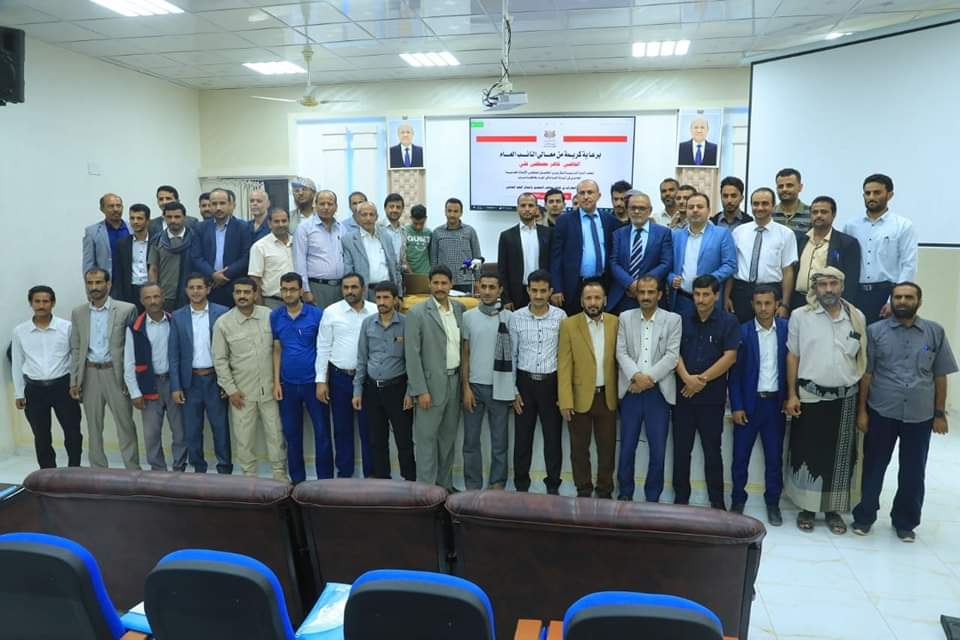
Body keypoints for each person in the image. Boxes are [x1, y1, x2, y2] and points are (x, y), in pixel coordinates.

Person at [852, 282, 958, 542]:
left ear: (918, 302)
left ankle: (905, 522)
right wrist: (862, 412)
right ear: (891, 300)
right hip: (882, 411)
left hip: (920, 415)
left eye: (908, 297)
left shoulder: (934, 332)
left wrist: (939, 413)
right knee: (873, 466)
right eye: (898, 297)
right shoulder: (875, 331)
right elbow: (867, 375)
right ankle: (864, 516)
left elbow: (940, 375)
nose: (902, 301)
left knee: (913, 471)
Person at [784, 266, 866, 534]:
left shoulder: (856, 317)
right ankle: (807, 509)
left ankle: (833, 511)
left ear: (842, 286)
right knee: (807, 453)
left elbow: (862, 361)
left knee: (840, 457)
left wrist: (862, 408)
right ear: (815, 288)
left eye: (833, 283)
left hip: (845, 397)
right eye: (823, 284)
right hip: (810, 395)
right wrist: (792, 394)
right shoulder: (801, 316)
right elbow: (793, 356)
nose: (828, 289)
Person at [673, 274, 740, 510]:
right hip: (683, 395)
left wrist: (700, 380)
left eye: (706, 295)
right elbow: (673, 352)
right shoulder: (681, 319)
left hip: (712, 399)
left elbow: (730, 357)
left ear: (716, 295)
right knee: (681, 450)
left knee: (712, 451)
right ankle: (681, 500)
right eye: (697, 294)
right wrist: (687, 379)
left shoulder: (728, 321)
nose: (700, 300)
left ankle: (717, 502)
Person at [212, 277, 287, 480]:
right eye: (238, 292)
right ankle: (249, 480)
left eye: (246, 292)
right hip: (241, 393)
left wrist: (278, 382)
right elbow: (220, 360)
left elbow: (279, 349)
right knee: (244, 440)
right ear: (233, 295)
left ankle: (280, 475)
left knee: (276, 435)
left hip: (271, 390)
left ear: (255, 294)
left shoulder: (269, 315)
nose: (242, 296)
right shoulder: (223, 323)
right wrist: (231, 390)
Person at [615, 275, 681, 502]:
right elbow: (621, 352)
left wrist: (647, 379)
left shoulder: (673, 320)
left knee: (658, 450)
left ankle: (653, 498)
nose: (645, 296)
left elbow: (672, 356)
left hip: (658, 394)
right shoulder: (625, 317)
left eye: (650, 292)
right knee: (627, 448)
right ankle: (625, 493)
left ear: (659, 295)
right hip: (631, 391)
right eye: (641, 292)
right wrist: (636, 376)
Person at [728, 285, 788, 525]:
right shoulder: (742, 332)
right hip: (748, 405)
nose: (763, 308)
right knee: (740, 458)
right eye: (759, 303)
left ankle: (773, 503)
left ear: (777, 305)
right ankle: (737, 500)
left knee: (774, 458)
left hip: (774, 405)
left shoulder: (786, 330)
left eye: (768, 303)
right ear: (752, 305)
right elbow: (734, 375)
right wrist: (737, 406)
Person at [69, 268, 140, 469]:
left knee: (125, 424)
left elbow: (134, 347)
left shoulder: (127, 309)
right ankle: (98, 470)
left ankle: (132, 469)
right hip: (90, 374)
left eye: (99, 282)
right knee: (93, 426)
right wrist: (74, 380)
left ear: (108, 284)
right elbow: (76, 348)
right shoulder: (78, 313)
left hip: (116, 374)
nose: (94, 287)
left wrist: (131, 380)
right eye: (90, 283)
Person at [405, 265, 466, 489]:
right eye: (436, 283)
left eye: (444, 283)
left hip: (454, 382)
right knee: (426, 441)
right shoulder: (417, 313)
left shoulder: (459, 309)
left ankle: (444, 486)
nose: (440, 287)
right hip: (429, 386)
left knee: (448, 439)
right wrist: (420, 390)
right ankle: (426, 490)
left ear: (451, 285)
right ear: (429, 284)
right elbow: (412, 355)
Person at [557, 280, 618, 498]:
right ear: (582, 301)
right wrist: (565, 400)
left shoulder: (615, 323)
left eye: (597, 298)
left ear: (605, 300)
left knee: (607, 449)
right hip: (578, 398)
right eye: (588, 298)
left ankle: (605, 491)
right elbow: (564, 365)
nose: (593, 302)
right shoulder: (569, 325)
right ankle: (583, 491)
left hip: (607, 397)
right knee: (579, 449)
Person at [509, 269, 567, 494]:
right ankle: (521, 487)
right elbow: (512, 356)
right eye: (534, 290)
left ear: (551, 291)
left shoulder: (561, 317)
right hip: (524, 384)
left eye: (543, 291)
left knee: (553, 439)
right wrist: (513, 390)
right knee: (522, 439)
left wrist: (563, 391)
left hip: (551, 384)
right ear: (528, 291)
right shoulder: (516, 317)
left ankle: (553, 487)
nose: (539, 295)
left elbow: (564, 356)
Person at [12, 285, 82, 468]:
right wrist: (19, 393)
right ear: (31, 303)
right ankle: (47, 473)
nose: (41, 305)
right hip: (34, 390)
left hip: (63, 387)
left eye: (45, 301)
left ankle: (74, 470)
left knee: (73, 432)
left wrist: (75, 384)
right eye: (37, 301)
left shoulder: (66, 327)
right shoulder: (20, 331)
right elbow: (17, 364)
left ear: (53, 303)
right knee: (41, 436)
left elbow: (75, 358)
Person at [271, 272, 331, 484]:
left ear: (300, 291)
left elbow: (324, 349)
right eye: (284, 289)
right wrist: (276, 382)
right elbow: (277, 349)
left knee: (322, 434)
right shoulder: (275, 316)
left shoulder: (316, 314)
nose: (288, 293)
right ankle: (297, 481)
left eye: (292, 289)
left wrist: (323, 381)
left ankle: (325, 482)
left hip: (313, 385)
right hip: (287, 385)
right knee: (292, 435)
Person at [315, 273, 377, 478]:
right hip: (339, 378)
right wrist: (321, 381)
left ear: (363, 289)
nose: (349, 291)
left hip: (367, 380)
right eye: (346, 287)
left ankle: (371, 476)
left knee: (369, 430)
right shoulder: (331, 312)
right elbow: (323, 347)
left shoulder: (375, 311)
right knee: (342, 430)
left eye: (354, 287)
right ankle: (344, 476)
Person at [169, 273, 231, 474]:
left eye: (200, 287)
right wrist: (176, 386)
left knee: (220, 428)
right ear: (186, 291)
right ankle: (198, 470)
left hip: (215, 380)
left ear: (208, 289)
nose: (196, 291)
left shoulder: (222, 313)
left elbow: (230, 351)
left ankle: (225, 470)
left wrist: (227, 383)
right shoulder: (178, 316)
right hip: (190, 382)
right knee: (192, 431)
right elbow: (173, 355)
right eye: (192, 288)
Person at [354, 281, 415, 481]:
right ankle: (383, 482)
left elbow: (413, 361)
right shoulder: (367, 323)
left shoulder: (407, 324)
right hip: (372, 390)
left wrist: (410, 392)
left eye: (386, 297)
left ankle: (409, 481)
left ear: (396, 300)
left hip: (398, 389)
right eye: (378, 298)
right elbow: (362, 359)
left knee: (404, 439)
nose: (381, 302)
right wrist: (357, 391)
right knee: (377, 440)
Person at [461, 273, 516, 490]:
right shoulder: (468, 317)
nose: (486, 291)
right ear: (477, 287)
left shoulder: (509, 318)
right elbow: (465, 354)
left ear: (500, 290)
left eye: (492, 287)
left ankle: (497, 485)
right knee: (470, 441)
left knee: (500, 441)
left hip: (500, 386)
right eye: (483, 286)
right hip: (474, 387)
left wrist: (514, 388)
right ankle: (473, 486)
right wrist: (465, 387)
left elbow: (515, 355)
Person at [123, 283, 186, 472]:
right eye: (148, 298)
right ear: (142, 301)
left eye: (156, 296)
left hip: (174, 384)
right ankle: (158, 471)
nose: (153, 301)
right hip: (149, 385)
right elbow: (129, 362)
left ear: (163, 297)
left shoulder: (175, 322)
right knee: (151, 434)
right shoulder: (134, 328)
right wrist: (135, 392)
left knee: (180, 431)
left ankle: (179, 468)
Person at [843, 173, 918, 323]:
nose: (871, 197)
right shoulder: (851, 226)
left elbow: (908, 265)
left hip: (886, 293)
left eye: (877, 193)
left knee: (885, 337)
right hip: (856, 294)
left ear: (889, 195)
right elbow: (845, 263)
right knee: (857, 336)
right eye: (867, 193)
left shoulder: (903, 226)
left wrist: (895, 299)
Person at [726, 187, 797, 323]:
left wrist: (785, 304)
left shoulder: (786, 234)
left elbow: (788, 272)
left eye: (765, 203)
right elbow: (732, 267)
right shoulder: (738, 232)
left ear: (773, 206)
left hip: (771, 292)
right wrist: (726, 297)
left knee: (769, 332)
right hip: (741, 292)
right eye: (756, 204)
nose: (760, 208)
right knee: (741, 331)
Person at [549, 179, 617, 316]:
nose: (586, 196)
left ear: (598, 195)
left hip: (604, 282)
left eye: (590, 192)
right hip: (574, 285)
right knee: (575, 324)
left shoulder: (610, 221)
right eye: (582, 193)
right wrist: (557, 288)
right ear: (577, 196)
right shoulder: (565, 221)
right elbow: (555, 258)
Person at [667, 193, 736, 316]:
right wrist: (671, 278)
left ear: (708, 210)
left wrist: (709, 279)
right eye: (691, 207)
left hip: (710, 300)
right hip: (682, 299)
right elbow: (667, 264)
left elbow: (730, 265)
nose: (695, 210)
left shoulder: (722, 234)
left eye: (699, 207)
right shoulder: (676, 235)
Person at [608, 190, 673, 313]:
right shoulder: (618, 234)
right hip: (624, 295)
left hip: (652, 296)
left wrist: (642, 284)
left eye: (642, 208)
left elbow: (666, 263)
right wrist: (630, 283)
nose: (637, 211)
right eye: (633, 208)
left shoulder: (663, 233)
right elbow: (613, 263)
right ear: (627, 210)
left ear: (650, 210)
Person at [792, 196, 861, 310]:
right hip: (798, 301)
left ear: (834, 215)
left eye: (823, 212)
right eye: (815, 212)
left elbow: (851, 281)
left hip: (829, 302)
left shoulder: (847, 243)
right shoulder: (799, 240)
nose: (818, 215)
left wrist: (843, 307)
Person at [191, 188, 252, 308]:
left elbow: (246, 257)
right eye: (214, 204)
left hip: (234, 285)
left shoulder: (243, 227)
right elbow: (196, 257)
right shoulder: (200, 228)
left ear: (230, 205)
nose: (218, 207)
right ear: (210, 205)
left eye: (222, 203)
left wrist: (224, 276)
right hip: (208, 286)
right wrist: (213, 274)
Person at [497, 192, 552, 311]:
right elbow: (502, 270)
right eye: (523, 205)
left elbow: (553, 264)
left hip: (543, 291)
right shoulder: (507, 236)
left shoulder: (548, 233)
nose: (527, 209)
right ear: (517, 208)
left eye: (531, 205)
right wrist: (506, 298)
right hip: (517, 293)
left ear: (536, 209)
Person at [293, 189, 345, 310]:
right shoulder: (304, 228)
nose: (326, 207)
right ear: (315, 206)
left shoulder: (342, 228)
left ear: (336, 207)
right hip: (316, 287)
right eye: (322, 204)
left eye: (330, 204)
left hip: (340, 288)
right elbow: (299, 261)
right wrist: (305, 290)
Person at [342, 202, 403, 300]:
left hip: (387, 291)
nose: (368, 218)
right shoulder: (349, 240)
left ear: (376, 217)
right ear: (357, 217)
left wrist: (399, 295)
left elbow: (395, 268)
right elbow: (348, 271)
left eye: (371, 214)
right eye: (364, 215)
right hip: (364, 293)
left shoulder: (386, 237)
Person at [148, 202, 194, 312]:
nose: (173, 220)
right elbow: (153, 269)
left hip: (192, 295)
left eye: (177, 217)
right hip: (166, 296)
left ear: (185, 218)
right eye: (169, 217)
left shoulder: (195, 238)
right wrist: (155, 292)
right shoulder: (157, 240)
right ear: (164, 218)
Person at [430, 197, 482, 293]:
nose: (452, 215)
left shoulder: (470, 231)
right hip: (444, 282)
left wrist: (478, 280)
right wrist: (434, 280)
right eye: (449, 211)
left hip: (465, 281)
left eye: (455, 211)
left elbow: (476, 256)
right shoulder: (437, 232)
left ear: (461, 213)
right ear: (445, 212)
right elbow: (434, 260)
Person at [248, 207, 293, 310]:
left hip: (297, 302)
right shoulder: (259, 247)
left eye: (284, 221)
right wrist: (261, 307)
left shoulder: (297, 243)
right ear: (269, 224)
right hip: (273, 302)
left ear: (289, 222)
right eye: (276, 221)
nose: (281, 224)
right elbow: (255, 279)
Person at [111, 203, 152, 311]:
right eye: (132, 218)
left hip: (151, 289)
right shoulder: (122, 244)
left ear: (148, 221)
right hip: (131, 291)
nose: (135, 222)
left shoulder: (157, 241)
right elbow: (119, 272)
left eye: (139, 218)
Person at [82, 193, 128, 278]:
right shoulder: (92, 232)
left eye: (118, 206)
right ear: (102, 209)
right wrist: (91, 285)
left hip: (131, 282)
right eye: (111, 206)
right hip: (107, 282)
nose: (115, 209)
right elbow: (88, 264)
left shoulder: (132, 229)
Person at [380, 193, 408, 272]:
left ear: (402, 210)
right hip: (382, 275)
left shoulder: (403, 231)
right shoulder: (377, 228)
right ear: (385, 208)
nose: (395, 210)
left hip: (398, 275)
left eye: (398, 207)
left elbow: (402, 258)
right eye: (391, 207)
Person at [402, 205, 432, 275]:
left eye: (421, 223)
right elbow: (402, 256)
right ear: (411, 218)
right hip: (409, 274)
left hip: (426, 274)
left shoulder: (429, 233)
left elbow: (431, 254)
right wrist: (411, 273)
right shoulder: (404, 231)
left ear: (425, 219)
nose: (418, 227)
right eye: (415, 223)